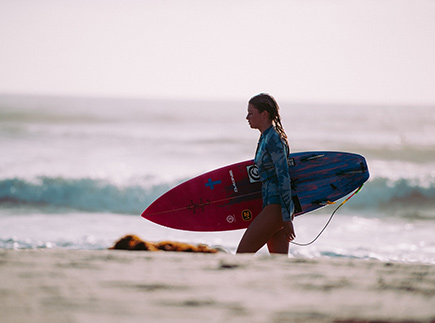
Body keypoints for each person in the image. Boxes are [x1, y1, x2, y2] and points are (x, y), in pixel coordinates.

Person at [236, 93, 296, 254]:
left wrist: (286, 217)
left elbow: (284, 178)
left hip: (276, 208)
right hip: (271, 206)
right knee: (279, 262)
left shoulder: (274, 140)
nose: (247, 117)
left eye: (251, 112)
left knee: (242, 254)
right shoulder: (265, 138)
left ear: (264, 114)